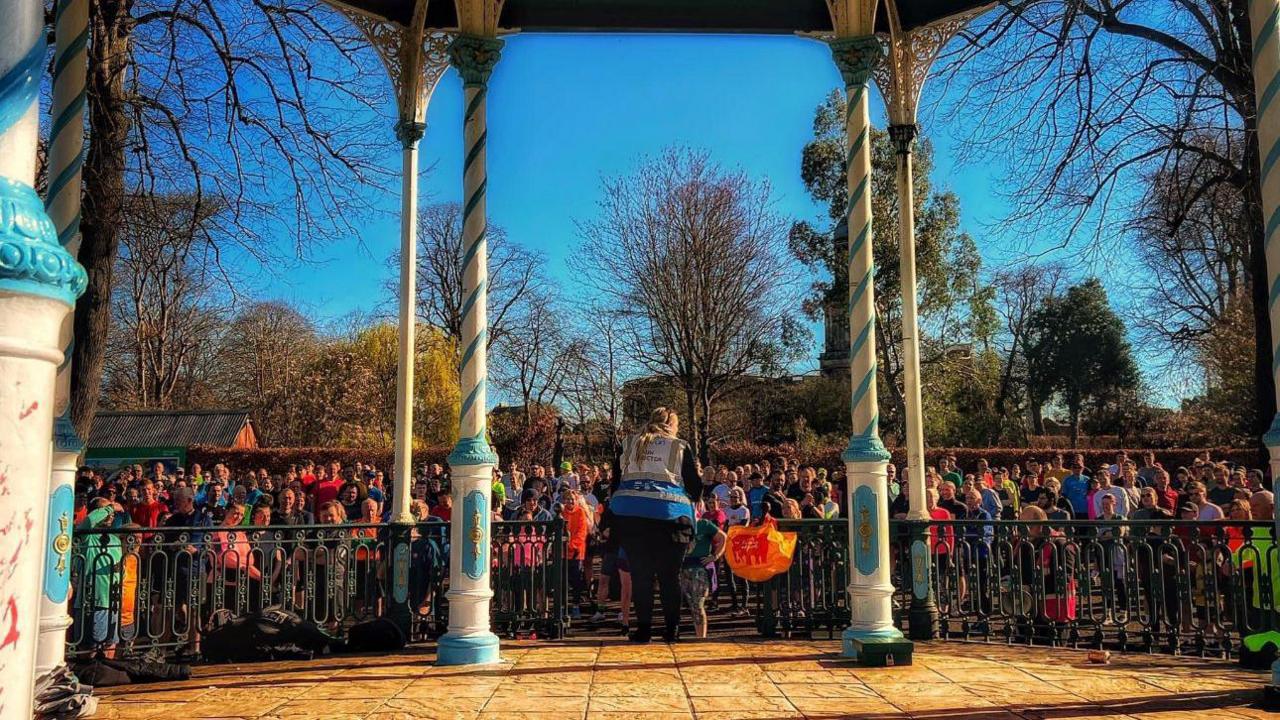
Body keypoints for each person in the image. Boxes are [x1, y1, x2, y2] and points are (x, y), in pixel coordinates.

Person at [610, 407, 701, 643]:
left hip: (632, 516)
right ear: (672, 424)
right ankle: (672, 629)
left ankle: (643, 630)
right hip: (670, 517)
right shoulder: (679, 446)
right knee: (670, 577)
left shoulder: (628, 443)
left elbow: (615, 481)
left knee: (641, 577)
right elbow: (694, 485)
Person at [680, 501, 726, 639]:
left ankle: (701, 638)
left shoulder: (704, 524)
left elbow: (723, 537)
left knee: (697, 604)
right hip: (683, 567)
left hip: (699, 567)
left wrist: (715, 556)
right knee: (687, 604)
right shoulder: (680, 525)